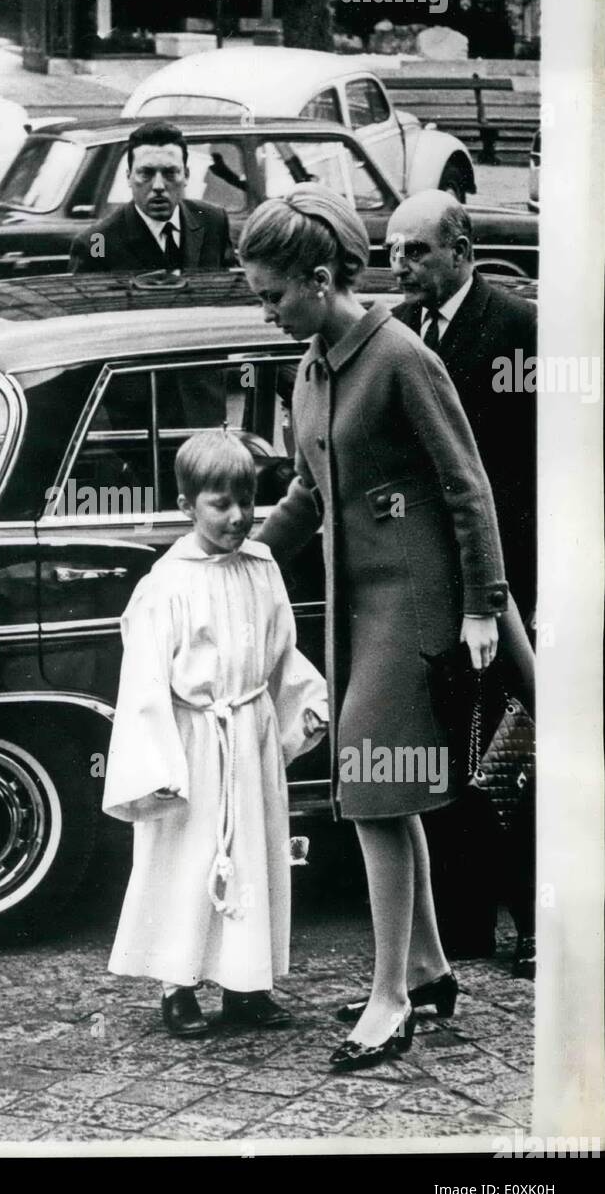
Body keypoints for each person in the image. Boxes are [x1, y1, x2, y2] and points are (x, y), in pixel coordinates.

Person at [241, 186, 511, 1072]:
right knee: (383, 791)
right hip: (357, 611)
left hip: (420, 606)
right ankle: (427, 971)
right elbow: (310, 493)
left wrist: (482, 604)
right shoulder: (311, 365)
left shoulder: (397, 356)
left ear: (319, 280)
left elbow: (466, 486)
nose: (267, 312)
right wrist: (243, 553)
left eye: (273, 295)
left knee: (370, 789)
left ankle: (390, 1000)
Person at [102, 429, 328, 1038]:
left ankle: (246, 986)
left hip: (248, 734)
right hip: (194, 739)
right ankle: (179, 987)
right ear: (187, 506)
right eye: (219, 504)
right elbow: (145, 681)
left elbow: (281, 651)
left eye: (245, 502)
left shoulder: (261, 568)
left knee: (252, 856)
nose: (236, 517)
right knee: (189, 858)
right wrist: (158, 767)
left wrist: (304, 703)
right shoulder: (166, 583)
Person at [387, 190, 537, 977]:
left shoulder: (518, 330)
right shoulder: (397, 331)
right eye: (391, 250)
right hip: (430, 577)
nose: (399, 264)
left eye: (414, 251)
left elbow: (536, 468)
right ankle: (467, 922)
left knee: (512, 747)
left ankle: (533, 917)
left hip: (507, 580)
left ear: (460, 252)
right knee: (448, 745)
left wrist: (510, 587)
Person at [69, 121, 236, 274]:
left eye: (170, 173)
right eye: (146, 173)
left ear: (186, 176)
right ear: (128, 177)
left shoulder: (214, 221)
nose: (158, 186)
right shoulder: (97, 241)